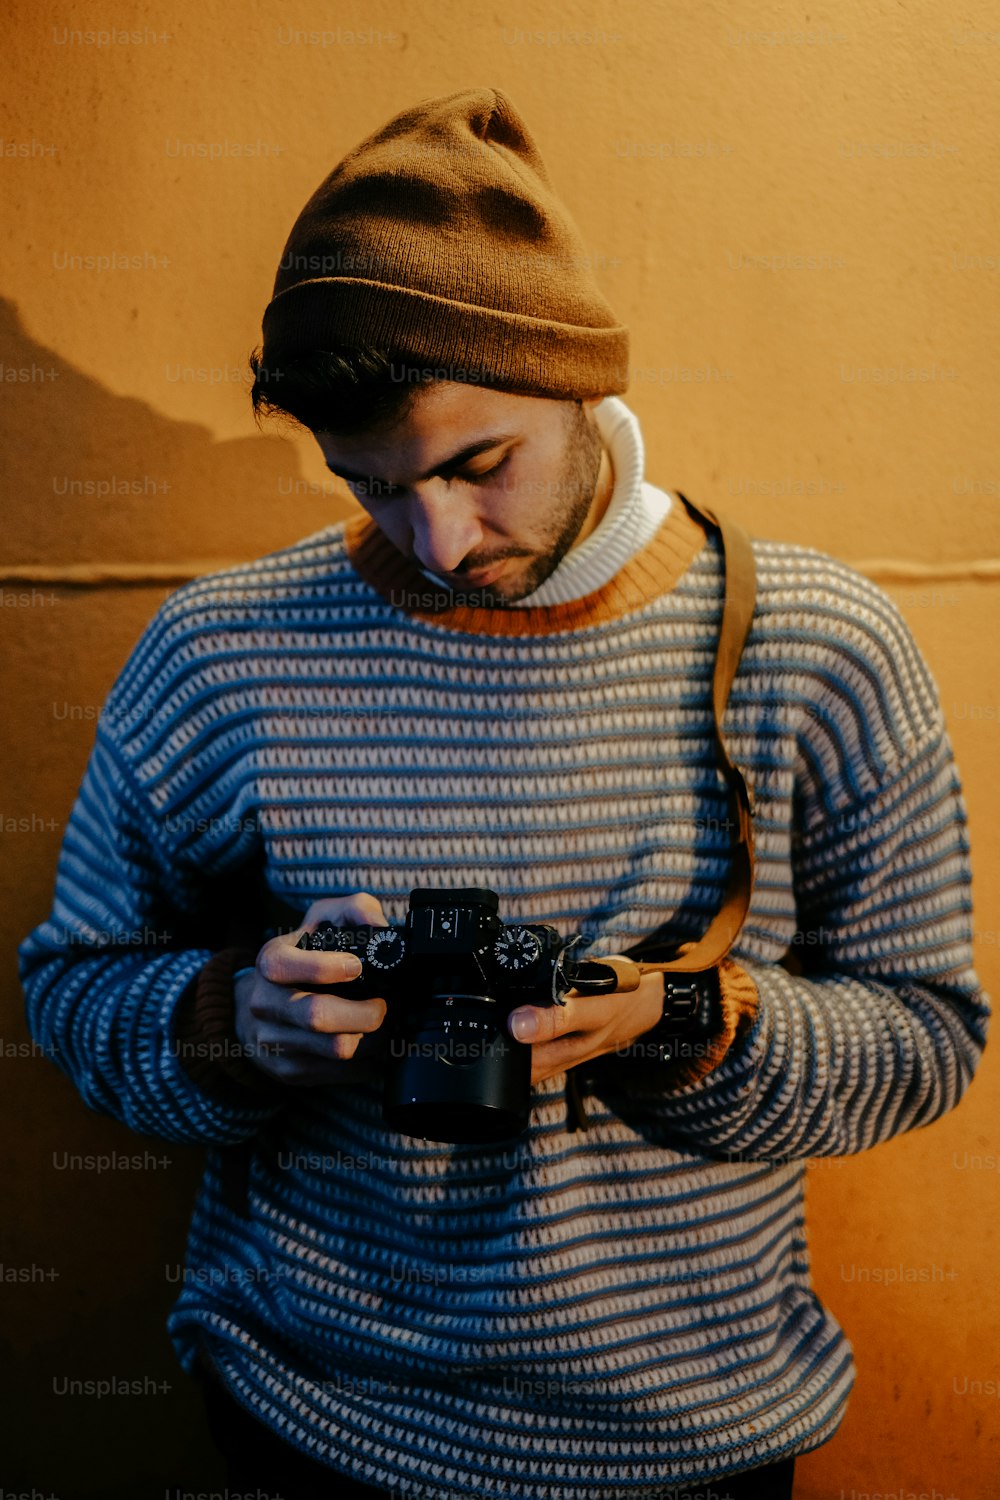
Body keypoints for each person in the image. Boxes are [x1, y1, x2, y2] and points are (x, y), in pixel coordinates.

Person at [19, 86, 989, 1500]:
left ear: (584, 382)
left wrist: (680, 1026)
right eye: (370, 485)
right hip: (311, 1423)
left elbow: (931, 1036)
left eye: (481, 466)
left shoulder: (821, 647)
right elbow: (72, 994)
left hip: (689, 1442)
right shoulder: (217, 651)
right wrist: (238, 1023)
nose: (440, 537)